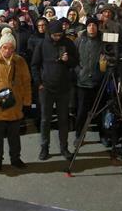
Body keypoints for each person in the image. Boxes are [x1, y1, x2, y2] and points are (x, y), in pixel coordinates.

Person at [0, 29, 32, 171]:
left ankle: (15, 158)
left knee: (15, 137)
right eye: (5, 47)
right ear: (0, 47)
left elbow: (26, 83)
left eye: (11, 48)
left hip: (16, 106)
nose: (8, 51)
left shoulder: (20, 61)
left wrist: (27, 102)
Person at [31, 19, 79, 161]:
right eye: (55, 35)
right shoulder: (42, 44)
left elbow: (76, 61)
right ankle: (44, 147)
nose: (57, 38)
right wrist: (38, 83)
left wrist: (68, 59)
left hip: (63, 88)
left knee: (63, 120)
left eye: (59, 35)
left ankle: (64, 148)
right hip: (46, 88)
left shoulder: (68, 43)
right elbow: (34, 65)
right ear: (49, 33)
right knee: (45, 119)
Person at [74, 17, 103, 148]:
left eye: (94, 25)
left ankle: (104, 135)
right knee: (81, 112)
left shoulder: (103, 39)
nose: (92, 27)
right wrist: (78, 71)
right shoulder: (80, 40)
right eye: (89, 25)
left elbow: (111, 53)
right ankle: (79, 135)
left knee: (100, 111)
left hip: (99, 81)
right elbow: (74, 58)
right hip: (83, 82)